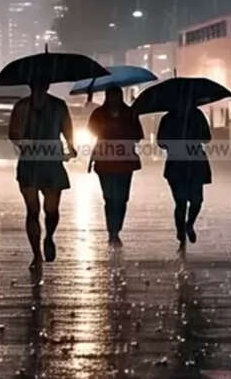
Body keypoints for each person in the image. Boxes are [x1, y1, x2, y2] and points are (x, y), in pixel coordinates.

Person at [9, 79, 77, 269]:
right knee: (32, 210)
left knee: (51, 210)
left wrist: (71, 147)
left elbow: (67, 130)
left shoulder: (58, 106)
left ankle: (49, 236)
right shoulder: (22, 107)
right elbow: (12, 133)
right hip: (31, 164)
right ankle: (36, 254)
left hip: (50, 163)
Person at [87, 86, 143, 246]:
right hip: (105, 161)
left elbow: (138, 135)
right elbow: (91, 130)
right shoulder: (98, 114)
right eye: (111, 97)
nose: (113, 100)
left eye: (116, 97)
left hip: (125, 161)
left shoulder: (130, 114)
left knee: (122, 198)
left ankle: (116, 229)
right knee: (110, 198)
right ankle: (112, 231)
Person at [157, 103, 211, 250]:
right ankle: (181, 232)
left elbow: (207, 138)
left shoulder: (197, 115)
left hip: (194, 164)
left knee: (197, 200)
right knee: (180, 202)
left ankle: (189, 224)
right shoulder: (168, 119)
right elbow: (160, 142)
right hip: (177, 165)